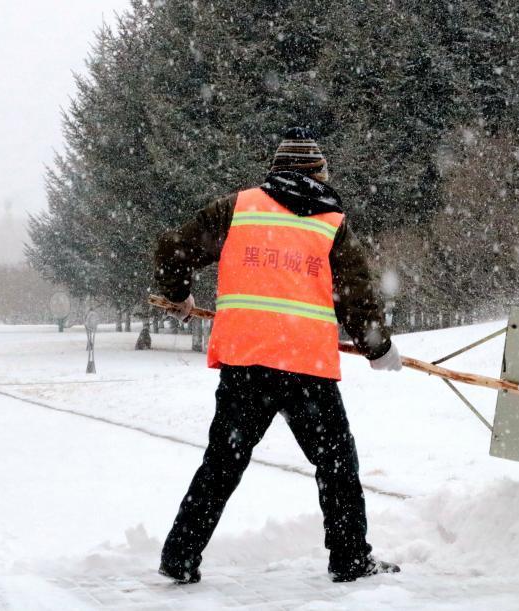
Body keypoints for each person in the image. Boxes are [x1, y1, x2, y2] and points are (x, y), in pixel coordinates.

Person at [153, 127, 403, 584]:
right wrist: (378, 348)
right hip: (305, 367)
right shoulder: (331, 221)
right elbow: (357, 296)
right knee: (336, 464)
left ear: (275, 171)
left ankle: (181, 554)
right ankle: (349, 559)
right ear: (317, 172)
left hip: (245, 360)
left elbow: (173, 248)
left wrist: (179, 296)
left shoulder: (238, 208)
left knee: (223, 462)